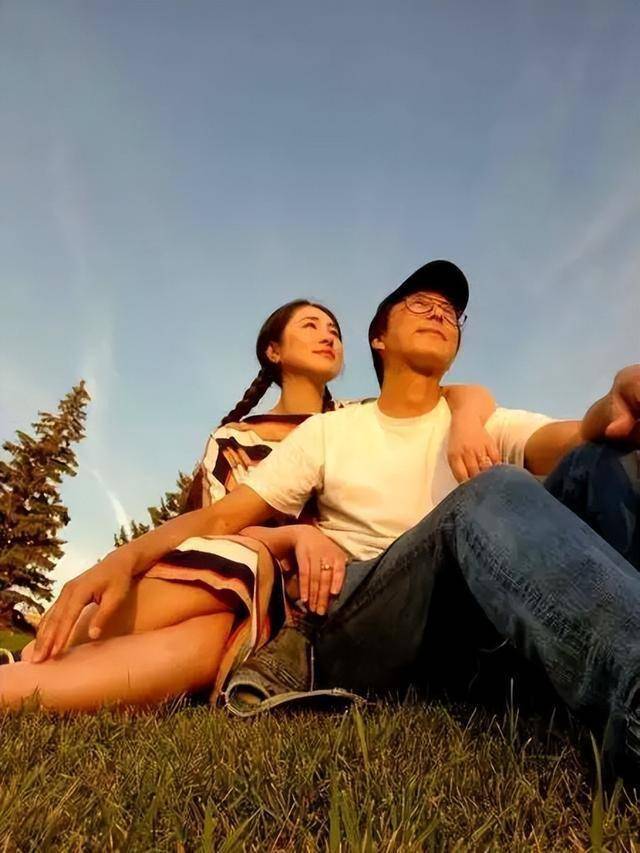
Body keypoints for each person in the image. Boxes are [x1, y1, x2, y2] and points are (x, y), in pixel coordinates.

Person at [26, 259, 640, 786]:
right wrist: (123, 558)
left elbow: (570, 437)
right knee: (491, 491)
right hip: (366, 610)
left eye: (451, 313)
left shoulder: (483, 421)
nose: (439, 313)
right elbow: (221, 515)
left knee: (607, 458)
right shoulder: (330, 429)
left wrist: (611, 407)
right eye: (419, 304)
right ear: (379, 338)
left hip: (474, 625)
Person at [0, 297, 496, 711]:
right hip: (238, 580)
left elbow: (454, 394)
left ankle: (22, 673)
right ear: (273, 351)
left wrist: (468, 422)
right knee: (235, 583)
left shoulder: (359, 420)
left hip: (319, 597)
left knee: (221, 620)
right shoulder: (235, 439)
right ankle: (32, 666)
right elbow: (219, 526)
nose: (328, 336)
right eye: (310, 326)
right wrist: (296, 535)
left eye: (334, 330)